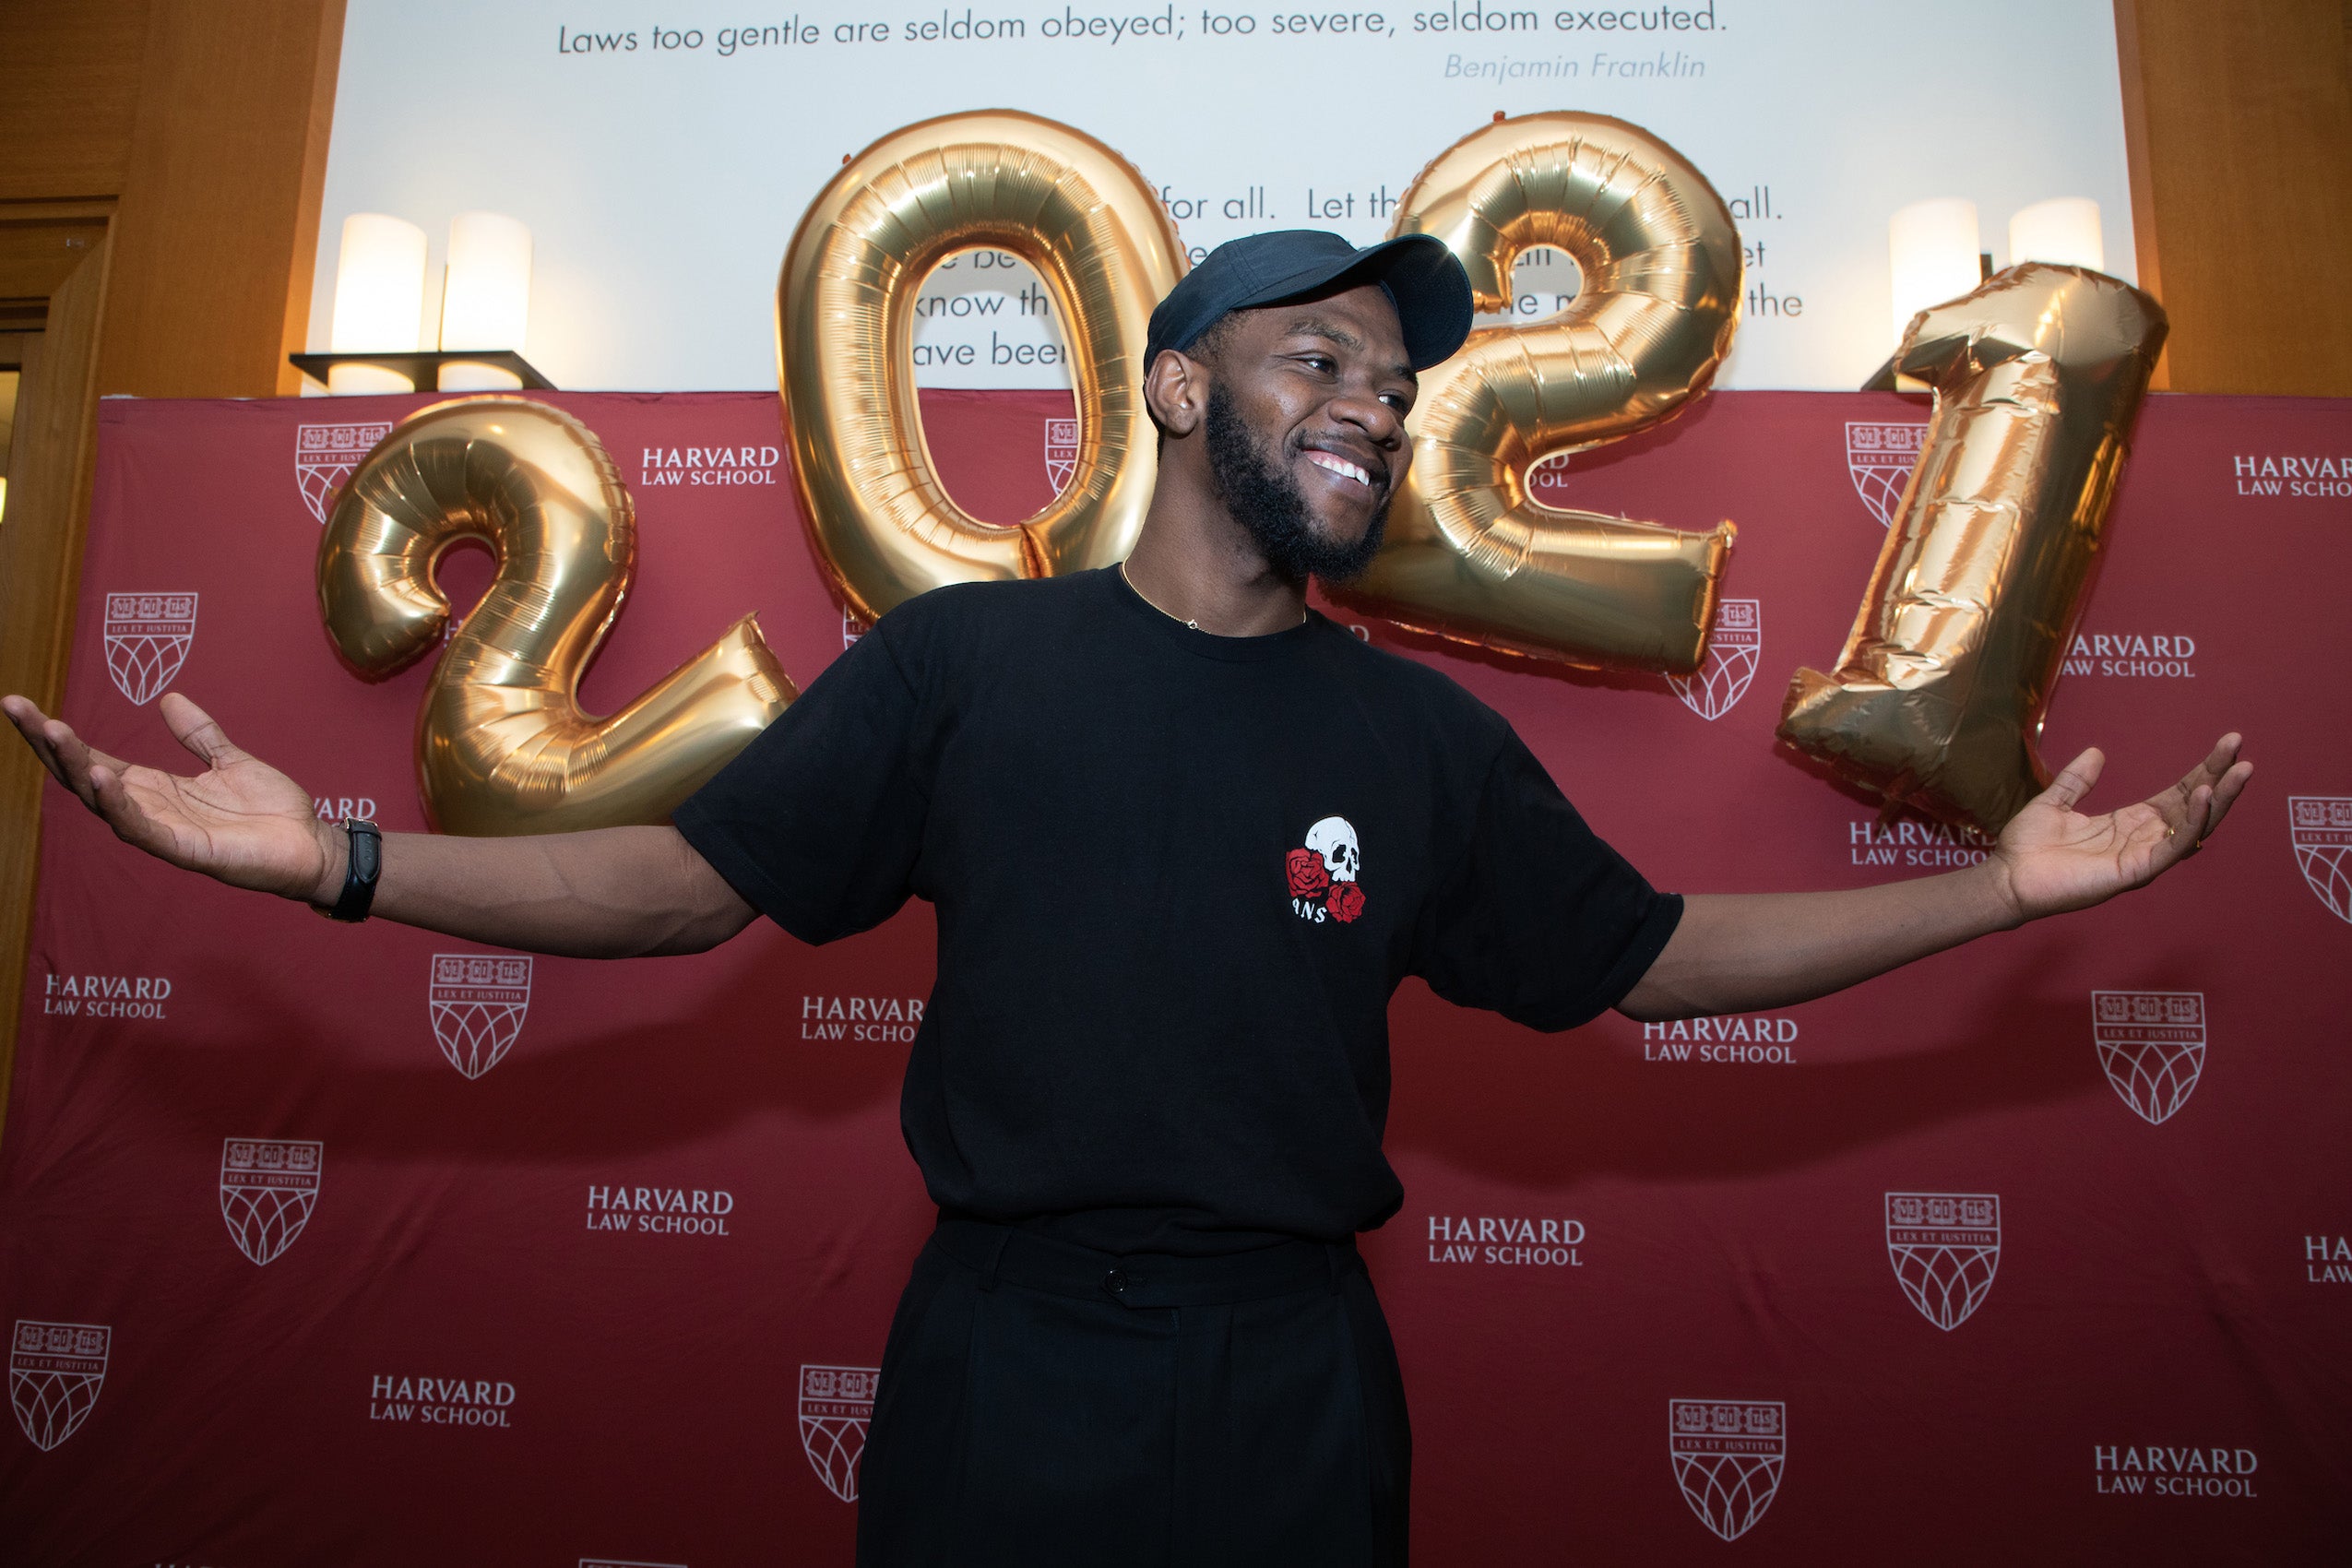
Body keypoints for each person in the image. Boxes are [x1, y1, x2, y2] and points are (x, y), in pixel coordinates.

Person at [3, 231, 2250, 1566]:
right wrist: (337, 855)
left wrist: (1998, 891)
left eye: (1393, 379)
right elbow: (685, 887)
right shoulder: (970, 668)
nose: (1371, 406)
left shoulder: (1418, 743)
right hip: (1009, 1373)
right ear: (1182, 387)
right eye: (1320, 363)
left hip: (1301, 1387)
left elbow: (1657, 956)